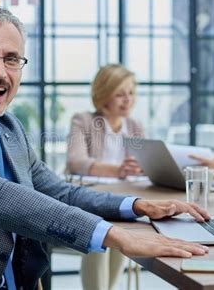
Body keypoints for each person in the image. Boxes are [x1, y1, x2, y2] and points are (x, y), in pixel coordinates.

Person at [0, 6, 209, 289]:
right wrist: (112, 234)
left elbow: (59, 192)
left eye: (11, 59)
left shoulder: (9, 128)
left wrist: (136, 205)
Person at [66, 64, 144, 289]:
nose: (127, 99)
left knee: (122, 230)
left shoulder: (134, 126)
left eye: (131, 93)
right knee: (99, 231)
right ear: (103, 95)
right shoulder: (83, 120)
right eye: (120, 94)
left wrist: (141, 168)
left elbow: (144, 166)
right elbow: (76, 162)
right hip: (89, 201)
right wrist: (118, 170)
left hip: (122, 201)